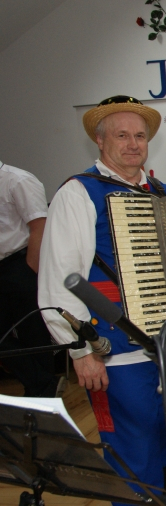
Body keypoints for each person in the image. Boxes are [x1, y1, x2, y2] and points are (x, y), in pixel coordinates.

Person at [38, 96, 166, 502]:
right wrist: (80, 350)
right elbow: (58, 281)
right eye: (122, 135)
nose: (133, 144)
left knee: (164, 446)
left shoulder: (162, 191)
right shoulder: (78, 192)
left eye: (140, 136)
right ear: (100, 141)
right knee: (130, 458)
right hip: (113, 352)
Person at [0, 161, 62, 398]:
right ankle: (43, 384)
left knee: (33, 334)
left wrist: (30, 272)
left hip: (20, 263)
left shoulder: (18, 180)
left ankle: (41, 396)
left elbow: (40, 228)